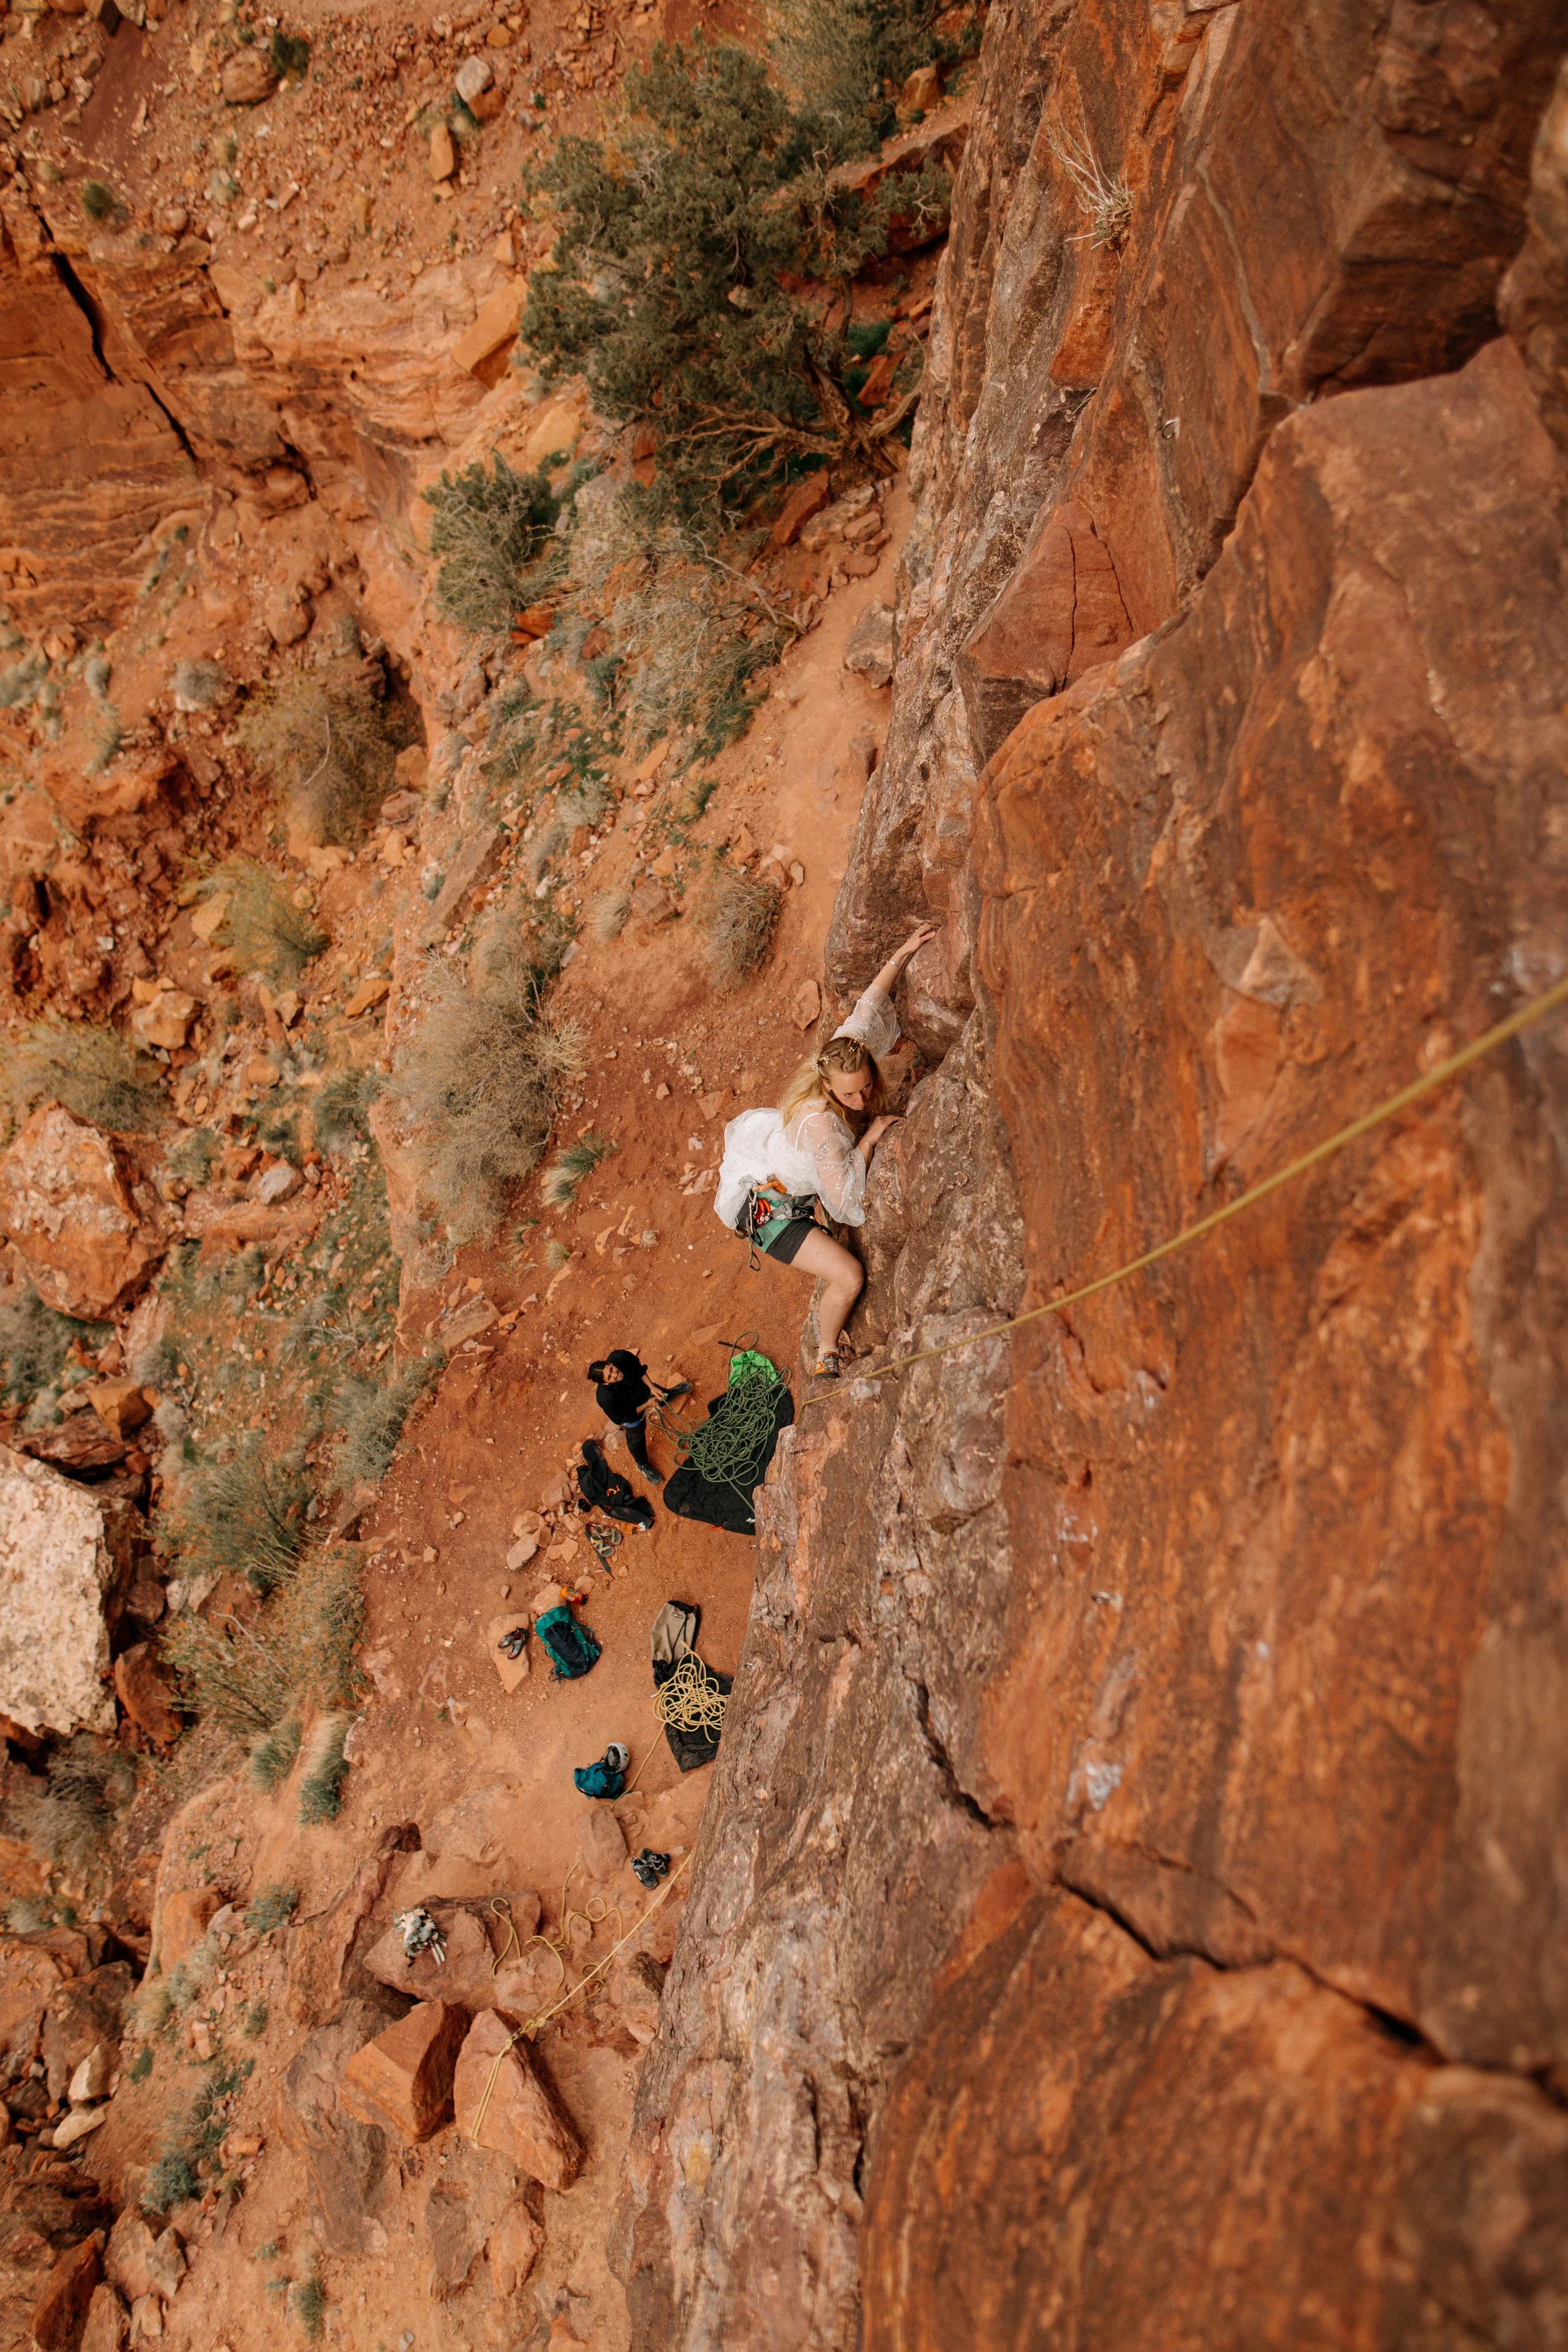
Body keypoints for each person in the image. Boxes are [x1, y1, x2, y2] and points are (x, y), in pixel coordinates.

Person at [714, 923, 936, 1378]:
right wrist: (868, 1140)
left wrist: (904, 949)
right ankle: (826, 1351)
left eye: (865, 1088)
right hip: (769, 1212)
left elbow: (867, 1007)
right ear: (828, 1087)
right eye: (849, 1095)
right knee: (849, 1276)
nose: (860, 1099)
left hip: (779, 1170)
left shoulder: (841, 1059)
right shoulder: (823, 1127)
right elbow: (844, 1202)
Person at [586, 1348, 690, 1484]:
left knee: (662, 1394)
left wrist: (652, 1387)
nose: (616, 1375)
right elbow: (621, 1418)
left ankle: (670, 1394)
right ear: (605, 1383)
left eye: (611, 1369)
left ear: (609, 1363)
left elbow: (639, 1369)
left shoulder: (620, 1357)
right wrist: (647, 1405)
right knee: (637, 1439)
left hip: (643, 1390)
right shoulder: (605, 1399)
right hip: (631, 1414)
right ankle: (642, 1465)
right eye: (610, 1377)